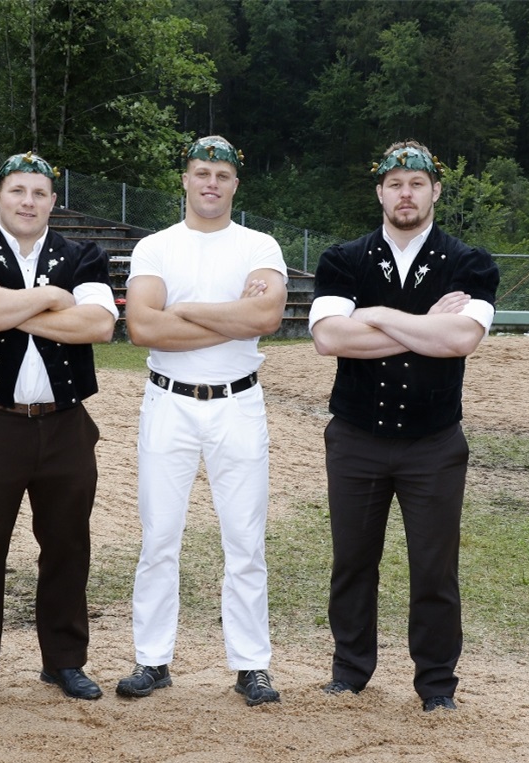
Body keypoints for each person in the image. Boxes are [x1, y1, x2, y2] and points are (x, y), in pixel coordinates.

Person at [309, 140, 500, 713]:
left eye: (416, 183)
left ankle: (437, 685)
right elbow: (328, 339)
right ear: (380, 193)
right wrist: (423, 326)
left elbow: (462, 339)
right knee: (352, 561)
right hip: (356, 440)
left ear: (435, 190)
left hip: (434, 445)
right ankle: (350, 670)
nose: (406, 193)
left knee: (434, 568)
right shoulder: (344, 258)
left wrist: (374, 315)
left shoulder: (469, 262)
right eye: (395, 184)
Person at [0, 151, 118, 712]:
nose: (28, 202)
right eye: (17, 191)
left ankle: (64, 660)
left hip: (65, 425)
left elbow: (99, 325)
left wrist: (6, 305)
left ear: (52, 201)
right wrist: (49, 298)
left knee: (67, 546)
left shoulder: (82, 254)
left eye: (39, 193)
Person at [118, 135, 287, 707]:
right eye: (201, 172)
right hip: (170, 402)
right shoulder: (157, 247)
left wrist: (183, 310)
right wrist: (231, 318)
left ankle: (251, 664)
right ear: (185, 180)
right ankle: (153, 659)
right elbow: (143, 327)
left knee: (244, 540)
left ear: (236, 183)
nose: (211, 182)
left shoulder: (259, 244)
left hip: (238, 403)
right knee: (159, 536)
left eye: (222, 173)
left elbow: (267, 315)